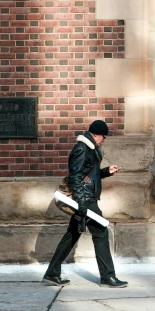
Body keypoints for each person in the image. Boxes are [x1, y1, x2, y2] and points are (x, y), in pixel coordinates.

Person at [42, 120, 128, 288]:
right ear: (96, 134)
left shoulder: (89, 149)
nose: (104, 140)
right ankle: (107, 277)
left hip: (86, 198)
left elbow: (88, 176)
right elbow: (75, 177)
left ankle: (52, 273)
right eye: (103, 136)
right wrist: (81, 203)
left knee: (71, 235)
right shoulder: (82, 149)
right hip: (86, 200)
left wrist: (106, 172)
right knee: (101, 233)